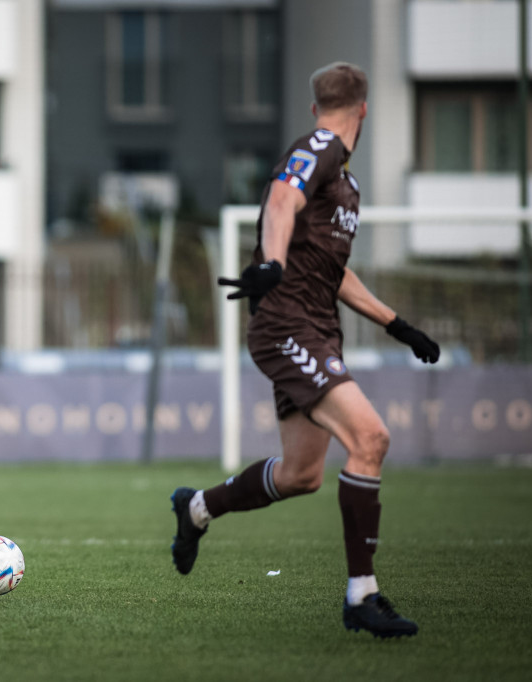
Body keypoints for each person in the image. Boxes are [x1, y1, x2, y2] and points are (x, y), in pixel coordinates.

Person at [170, 62, 439, 638]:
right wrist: (269, 262)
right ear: (363, 109)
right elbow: (280, 203)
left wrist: (399, 326)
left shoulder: (346, 182)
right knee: (371, 439)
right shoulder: (319, 147)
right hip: (287, 323)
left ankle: (196, 509)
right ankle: (362, 595)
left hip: (316, 325)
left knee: (300, 475)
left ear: (318, 104)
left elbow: (332, 270)